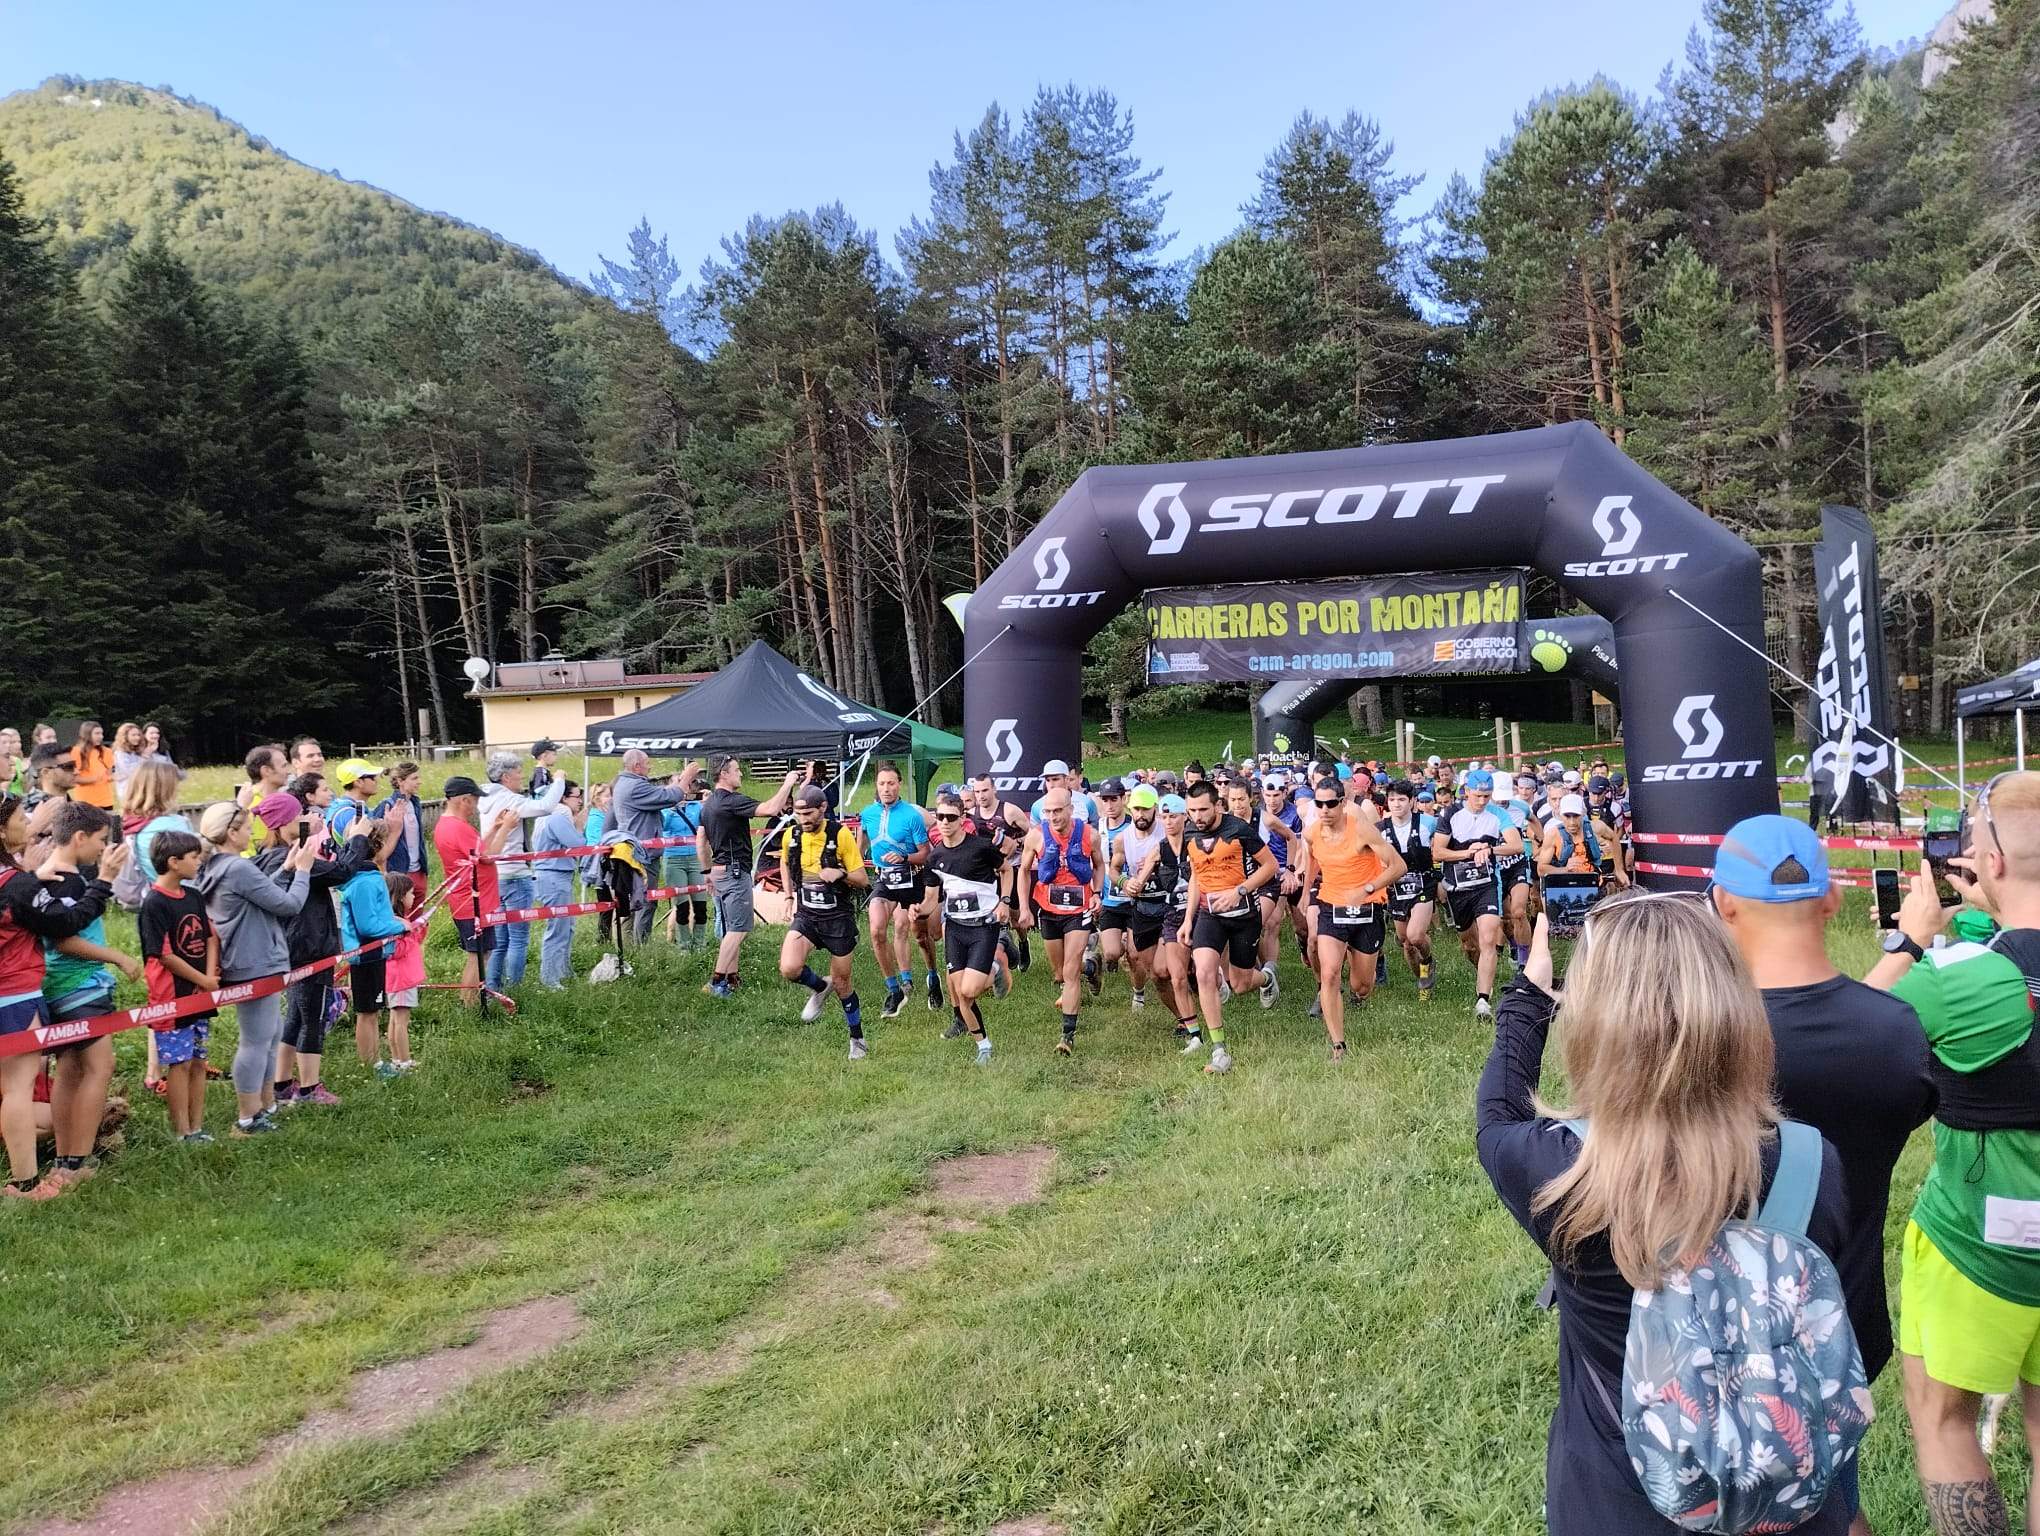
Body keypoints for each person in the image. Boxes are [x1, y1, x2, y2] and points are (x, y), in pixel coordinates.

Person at [1478, 897, 1869, 1536]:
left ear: (1597, 1020)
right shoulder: (1813, 1162)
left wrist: (1529, 997)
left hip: (1616, 1499)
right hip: (1787, 1496)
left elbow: (1496, 1113)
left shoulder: (1557, 1172)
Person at [1713, 815, 1935, 1520]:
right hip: (1845, 1322)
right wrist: (1908, 951)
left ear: (1722, 903)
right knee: (1835, 1499)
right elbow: (1848, 1024)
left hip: (1716, 1330)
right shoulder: (1897, 1035)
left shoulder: (1702, 1044)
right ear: (1833, 901)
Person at [1868, 771, 2040, 1534]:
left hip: (1979, 1241)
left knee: (1942, 1419)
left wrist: (1911, 940)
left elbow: (1840, 1036)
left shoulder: (1959, 978)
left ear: (1992, 862)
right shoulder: (1980, 959)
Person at [0, 795, 120, 1199]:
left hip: (17, 991)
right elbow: (64, 924)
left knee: (23, 1085)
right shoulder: (16, 885)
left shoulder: (22, 880)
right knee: (19, 1089)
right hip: (16, 993)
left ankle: (42, 1173)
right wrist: (103, 883)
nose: (29, 824)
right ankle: (27, 1182)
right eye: (21, 818)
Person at [193, 801, 319, 1139]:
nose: (253, 832)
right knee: (255, 1040)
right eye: (247, 828)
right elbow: (288, 905)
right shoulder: (237, 868)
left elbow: (257, 896)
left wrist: (287, 869)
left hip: (250, 959)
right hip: (255, 961)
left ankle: (264, 1106)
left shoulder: (220, 867)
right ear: (231, 833)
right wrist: (304, 870)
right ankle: (248, 1117)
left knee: (270, 1034)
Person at [36, 803, 142, 1190]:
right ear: (79, 837)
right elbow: (64, 939)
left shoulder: (50, 874)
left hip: (58, 985)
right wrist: (117, 956)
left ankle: (66, 1158)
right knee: (100, 1067)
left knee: (69, 1069)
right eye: (99, 841)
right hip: (79, 985)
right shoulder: (67, 881)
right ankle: (77, 1160)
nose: (102, 849)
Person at [253, 792, 373, 1108]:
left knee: (295, 1013)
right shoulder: (292, 860)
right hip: (310, 945)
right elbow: (342, 872)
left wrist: (312, 834)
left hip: (289, 946)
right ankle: (309, 1088)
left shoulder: (266, 855)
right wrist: (357, 839)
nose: (307, 820)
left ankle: (281, 1082)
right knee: (314, 1016)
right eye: (299, 817)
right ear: (282, 824)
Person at [1299, 778, 1405, 1061]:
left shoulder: (1361, 831)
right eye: (1319, 804)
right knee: (1330, 973)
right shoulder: (1312, 833)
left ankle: (1361, 978)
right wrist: (1307, 894)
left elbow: (1398, 866)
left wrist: (1367, 889)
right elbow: (1311, 859)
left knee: (1362, 986)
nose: (1324, 809)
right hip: (1331, 907)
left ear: (1343, 803)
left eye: (1331, 803)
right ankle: (1338, 1045)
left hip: (1367, 909)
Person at [1179, 779, 1280, 1074]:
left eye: (1203, 809)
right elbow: (1197, 875)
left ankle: (1267, 978)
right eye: (1192, 810)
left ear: (1217, 806)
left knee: (1240, 983)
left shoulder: (1238, 829)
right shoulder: (1189, 832)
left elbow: (1271, 866)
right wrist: (1188, 919)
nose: (1197, 816)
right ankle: (1219, 1049)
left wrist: (1239, 891)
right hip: (1209, 915)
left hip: (1244, 913)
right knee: (1205, 973)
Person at [696, 754, 804, 998]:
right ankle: (716, 981)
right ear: (724, 773)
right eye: (736, 770)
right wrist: (788, 782)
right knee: (739, 929)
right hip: (735, 874)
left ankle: (732, 980)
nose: (741, 774)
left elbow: (701, 840)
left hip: (720, 871)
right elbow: (771, 809)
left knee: (731, 927)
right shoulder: (731, 801)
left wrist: (707, 871)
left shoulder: (709, 803)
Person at [777, 785, 871, 1055]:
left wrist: (839, 874)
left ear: (822, 809)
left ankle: (857, 1040)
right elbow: (785, 863)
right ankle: (820, 987)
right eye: (798, 813)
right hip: (807, 915)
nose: (803, 819)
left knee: (843, 983)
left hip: (838, 918)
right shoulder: (791, 835)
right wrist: (787, 896)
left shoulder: (839, 834)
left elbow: (862, 880)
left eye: (808, 813)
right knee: (789, 968)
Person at [923, 789, 1013, 1064]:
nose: (945, 822)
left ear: (962, 818)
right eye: (940, 817)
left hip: (983, 926)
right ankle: (983, 1045)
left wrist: (1004, 902)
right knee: (961, 994)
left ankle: (997, 965)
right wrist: (919, 910)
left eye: (951, 817)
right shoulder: (934, 857)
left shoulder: (981, 848)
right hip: (955, 928)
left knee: (970, 990)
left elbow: (1007, 869)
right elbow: (930, 899)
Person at [139, 830, 216, 1144]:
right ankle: (182, 1132)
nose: (199, 862)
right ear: (173, 862)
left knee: (198, 1061)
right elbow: (164, 955)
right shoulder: (154, 904)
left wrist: (210, 978)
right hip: (171, 996)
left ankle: (197, 1126)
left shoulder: (194, 896)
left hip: (201, 992)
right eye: (194, 857)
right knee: (179, 1064)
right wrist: (203, 981)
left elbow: (210, 936)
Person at [1019, 786, 1102, 1056]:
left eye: (1058, 810)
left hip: (1078, 910)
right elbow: (1023, 871)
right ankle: (1091, 967)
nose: (1054, 816)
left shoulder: (1090, 835)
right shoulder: (1035, 836)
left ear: (1070, 808)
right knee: (1059, 973)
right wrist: (1024, 908)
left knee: (1069, 972)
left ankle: (1067, 1036)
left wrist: (1097, 893)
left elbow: (1099, 865)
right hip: (1049, 909)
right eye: (1048, 811)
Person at [1433, 769, 1521, 1019]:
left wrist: (1490, 849)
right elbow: (1438, 853)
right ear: (1466, 792)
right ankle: (1482, 971)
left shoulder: (1498, 814)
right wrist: (1468, 853)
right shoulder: (1451, 814)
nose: (1482, 801)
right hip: (1458, 887)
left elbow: (1515, 845)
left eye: (1487, 796)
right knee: (1470, 944)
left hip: (1486, 885)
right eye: (1478, 796)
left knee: (1488, 936)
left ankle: (1483, 1000)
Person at [477, 751, 567, 991]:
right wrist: (559, 780)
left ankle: (493, 987)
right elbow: (545, 807)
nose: (521, 778)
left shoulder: (484, 798)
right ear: (506, 777)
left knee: (500, 940)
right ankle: (514, 989)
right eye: (518, 773)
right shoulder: (511, 800)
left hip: (495, 876)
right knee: (518, 939)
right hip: (516, 874)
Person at [431, 777, 519, 1007]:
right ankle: (468, 1003)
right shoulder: (458, 827)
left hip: (471, 900)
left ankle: (469, 1000)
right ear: (464, 800)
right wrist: (507, 829)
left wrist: (495, 828)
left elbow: (478, 850)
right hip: (472, 902)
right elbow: (489, 856)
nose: (476, 806)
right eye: (474, 801)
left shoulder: (449, 825)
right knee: (477, 955)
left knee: (483, 951)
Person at [859, 762, 935, 1018]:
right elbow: (859, 849)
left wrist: (904, 857)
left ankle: (933, 977)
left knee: (919, 935)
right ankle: (895, 989)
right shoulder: (867, 813)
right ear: (876, 786)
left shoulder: (911, 815)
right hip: (884, 880)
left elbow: (925, 853)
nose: (886, 788)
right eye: (882, 783)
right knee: (876, 929)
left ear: (899, 784)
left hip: (911, 879)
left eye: (891, 783)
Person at [339, 820, 412, 1078]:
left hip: (374, 952)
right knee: (366, 1012)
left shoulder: (369, 877)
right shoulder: (365, 882)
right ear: (377, 846)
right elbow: (369, 924)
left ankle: (376, 1061)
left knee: (372, 1011)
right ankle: (370, 1065)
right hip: (366, 951)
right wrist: (398, 927)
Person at [610, 751, 705, 946]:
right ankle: (640, 949)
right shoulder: (636, 786)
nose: (650, 766)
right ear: (637, 766)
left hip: (635, 852)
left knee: (634, 902)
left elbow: (662, 794)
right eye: (647, 763)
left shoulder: (625, 784)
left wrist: (676, 783)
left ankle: (630, 947)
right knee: (645, 903)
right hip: (643, 855)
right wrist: (686, 777)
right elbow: (669, 796)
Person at [1112, 784, 1174, 1015]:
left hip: (1168, 906)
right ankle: (1181, 1015)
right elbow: (1114, 870)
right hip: (1142, 907)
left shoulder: (1167, 833)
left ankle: (1189, 1016)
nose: (1140, 814)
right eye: (1136, 809)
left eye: (1145, 809)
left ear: (1155, 809)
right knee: (1150, 969)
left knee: (1167, 967)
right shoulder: (1122, 839)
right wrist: (1125, 882)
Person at [1380, 781, 1438, 1000]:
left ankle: (1428, 959)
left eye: (1402, 799)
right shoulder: (1380, 828)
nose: (1396, 804)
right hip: (1396, 887)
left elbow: (1445, 842)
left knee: (1415, 935)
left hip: (1423, 882)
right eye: (1392, 799)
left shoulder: (1428, 823)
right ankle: (1423, 980)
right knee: (1405, 941)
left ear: (1412, 802)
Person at [533, 780, 585, 989]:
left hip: (555, 875)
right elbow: (578, 844)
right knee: (558, 929)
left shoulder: (546, 818)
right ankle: (550, 978)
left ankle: (563, 971)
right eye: (576, 796)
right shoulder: (557, 818)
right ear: (563, 798)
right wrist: (580, 826)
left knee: (567, 927)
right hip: (554, 876)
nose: (580, 801)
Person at [1534, 794, 1628, 888]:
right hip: (1564, 885)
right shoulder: (1553, 835)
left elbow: (1614, 838)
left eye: (1576, 816)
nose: (1572, 822)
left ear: (1582, 814)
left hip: (1592, 883)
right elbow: (1541, 869)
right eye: (1567, 816)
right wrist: (1565, 869)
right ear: (1560, 815)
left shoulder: (1595, 827)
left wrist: (1619, 869)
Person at [659, 775, 709, 950]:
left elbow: (706, 825)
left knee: (701, 905)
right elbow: (662, 827)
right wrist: (672, 809)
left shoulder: (696, 805)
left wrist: (708, 804)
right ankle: (684, 945)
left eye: (686, 783)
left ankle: (700, 943)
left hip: (696, 859)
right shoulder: (664, 808)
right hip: (674, 859)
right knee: (682, 905)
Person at [381, 875, 425, 1071]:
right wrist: (410, 933)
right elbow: (395, 951)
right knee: (401, 1022)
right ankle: (404, 1061)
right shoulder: (396, 924)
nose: (414, 896)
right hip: (401, 978)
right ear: (399, 897)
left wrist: (417, 931)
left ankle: (397, 1059)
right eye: (410, 893)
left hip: (400, 978)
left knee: (395, 1019)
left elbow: (411, 943)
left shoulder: (399, 921)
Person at [375, 761, 429, 907]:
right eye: (414, 778)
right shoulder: (387, 806)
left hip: (418, 871)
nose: (419, 782)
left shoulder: (415, 804)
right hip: (399, 871)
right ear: (400, 781)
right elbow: (377, 842)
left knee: (418, 919)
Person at [65, 721, 116, 814]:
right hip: (86, 802)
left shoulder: (107, 751)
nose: (101, 736)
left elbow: (109, 774)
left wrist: (113, 777)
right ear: (86, 734)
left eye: (101, 733)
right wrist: (93, 779)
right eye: (97, 733)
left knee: (110, 827)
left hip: (106, 800)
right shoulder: (76, 752)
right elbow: (73, 778)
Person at [328, 760, 381, 843]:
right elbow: (365, 852)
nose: (376, 781)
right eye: (372, 777)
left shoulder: (344, 805)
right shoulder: (349, 814)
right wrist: (395, 830)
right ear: (358, 782)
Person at [1029, 758, 1096, 824]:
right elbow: (1034, 832)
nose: (1051, 785)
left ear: (1066, 779)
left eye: (1055, 779)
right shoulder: (1037, 806)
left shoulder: (1086, 801)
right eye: (1048, 780)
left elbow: (1097, 828)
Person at [110, 722, 149, 804]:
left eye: (138, 735)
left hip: (140, 789)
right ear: (125, 736)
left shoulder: (136, 752)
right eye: (133, 735)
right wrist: (143, 760)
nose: (137, 738)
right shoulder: (120, 753)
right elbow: (129, 770)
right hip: (127, 790)